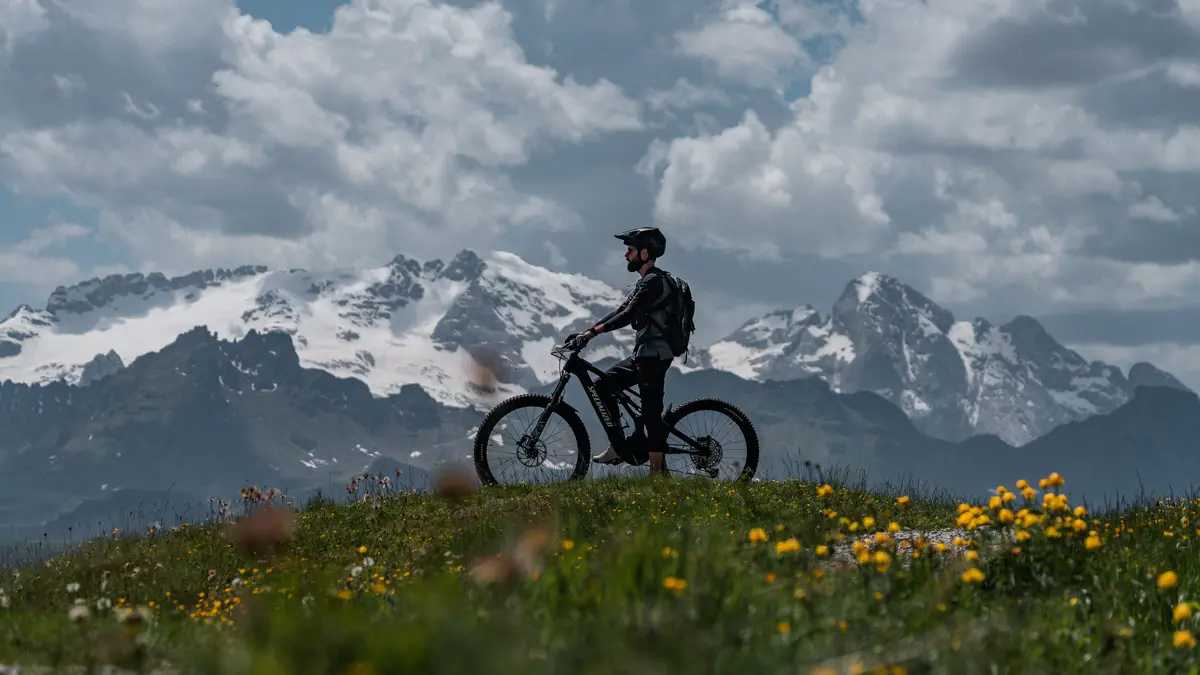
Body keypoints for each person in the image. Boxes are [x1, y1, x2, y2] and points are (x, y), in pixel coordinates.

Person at [570, 226, 677, 476]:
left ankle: (657, 474)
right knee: (603, 386)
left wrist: (594, 333)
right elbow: (621, 310)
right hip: (644, 354)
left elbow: (629, 315)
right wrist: (588, 331)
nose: (625, 256)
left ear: (643, 253)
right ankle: (619, 445)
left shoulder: (653, 282)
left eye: (629, 251)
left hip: (655, 355)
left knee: (651, 414)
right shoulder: (645, 283)